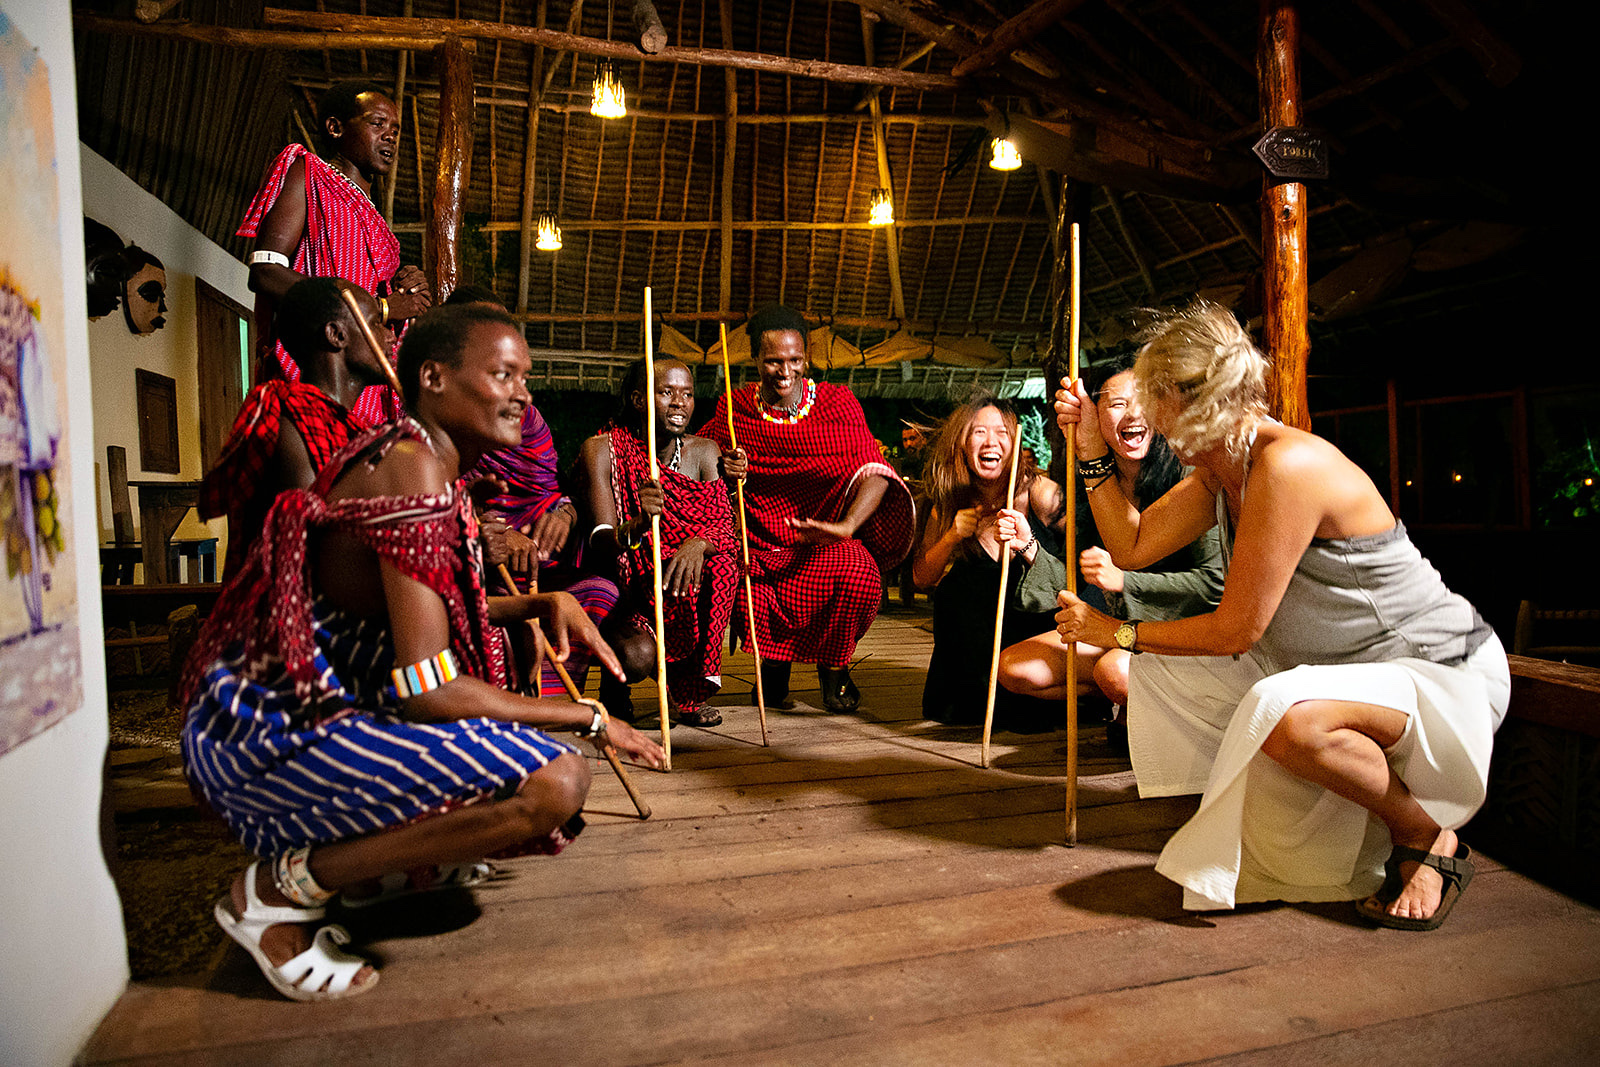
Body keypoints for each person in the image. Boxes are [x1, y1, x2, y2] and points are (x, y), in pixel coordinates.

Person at [180, 303, 663, 1001]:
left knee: (510, 738)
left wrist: (536, 601)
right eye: (503, 373)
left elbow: (421, 613)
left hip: (291, 714)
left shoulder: (421, 460)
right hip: (267, 731)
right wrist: (587, 717)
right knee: (553, 780)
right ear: (433, 377)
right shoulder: (411, 469)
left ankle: (381, 870)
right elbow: (426, 686)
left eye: (526, 377)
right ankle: (278, 893)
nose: (523, 394)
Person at [1052, 300, 1508, 929]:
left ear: (1196, 405)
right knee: (1148, 674)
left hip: (1435, 669)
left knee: (1285, 719)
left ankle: (1426, 832)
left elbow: (1236, 630)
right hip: (1336, 669)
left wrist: (1118, 630)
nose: (1141, 418)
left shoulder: (1288, 466)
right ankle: (1291, 811)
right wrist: (1089, 451)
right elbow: (1132, 544)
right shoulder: (1222, 469)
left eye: (1153, 403)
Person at [701, 305, 914, 712]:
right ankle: (773, 667)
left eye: (795, 360)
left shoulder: (837, 403)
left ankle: (835, 668)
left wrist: (848, 525)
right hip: (758, 546)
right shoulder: (734, 409)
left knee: (860, 574)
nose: (785, 371)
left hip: (823, 543)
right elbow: (700, 462)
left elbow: (876, 470)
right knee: (741, 578)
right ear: (755, 360)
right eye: (773, 361)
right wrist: (724, 465)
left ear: (806, 358)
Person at [997, 355, 1223, 737]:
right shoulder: (1093, 482)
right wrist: (1028, 545)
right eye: (1117, 404)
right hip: (1118, 627)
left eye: (1144, 401)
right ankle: (1119, 704)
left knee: (1113, 671)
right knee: (1015, 667)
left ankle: (1154, 717)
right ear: (1094, 416)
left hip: (1184, 630)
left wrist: (1124, 582)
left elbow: (1214, 584)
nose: (1133, 414)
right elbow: (1079, 581)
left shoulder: (1190, 472)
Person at [449, 285, 622, 698]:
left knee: (601, 592)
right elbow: (433, 506)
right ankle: (521, 689)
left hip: (538, 566)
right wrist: (481, 534)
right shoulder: (431, 419)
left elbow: (548, 490)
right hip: (476, 579)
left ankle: (554, 686)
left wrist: (563, 513)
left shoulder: (527, 417)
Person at [238, 80, 432, 426]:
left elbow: (381, 309)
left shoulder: (382, 229)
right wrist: (384, 306)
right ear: (336, 127)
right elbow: (266, 272)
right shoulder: (308, 172)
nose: (390, 136)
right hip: (315, 379)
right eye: (377, 123)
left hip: (367, 389)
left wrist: (409, 293)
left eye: (395, 129)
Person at [578, 357, 742, 727]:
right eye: (666, 392)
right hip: (629, 591)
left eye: (687, 394)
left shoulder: (705, 451)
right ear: (639, 400)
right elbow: (602, 541)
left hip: (683, 582)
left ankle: (687, 689)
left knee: (723, 564)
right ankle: (614, 684)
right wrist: (637, 524)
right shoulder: (602, 450)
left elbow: (723, 531)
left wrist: (697, 543)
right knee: (635, 658)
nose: (679, 403)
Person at [198, 278, 391, 579]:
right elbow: (314, 545)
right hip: (293, 613)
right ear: (336, 335)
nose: (390, 337)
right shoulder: (292, 419)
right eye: (376, 323)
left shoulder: (350, 427)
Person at [910, 394, 1065, 728]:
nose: (990, 441)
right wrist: (951, 536)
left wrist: (1028, 544)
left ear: (1015, 442)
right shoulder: (951, 502)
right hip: (970, 691)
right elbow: (921, 577)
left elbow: (1076, 574)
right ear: (962, 443)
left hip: (1034, 667)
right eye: (978, 432)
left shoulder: (1042, 494)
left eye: (1001, 433)